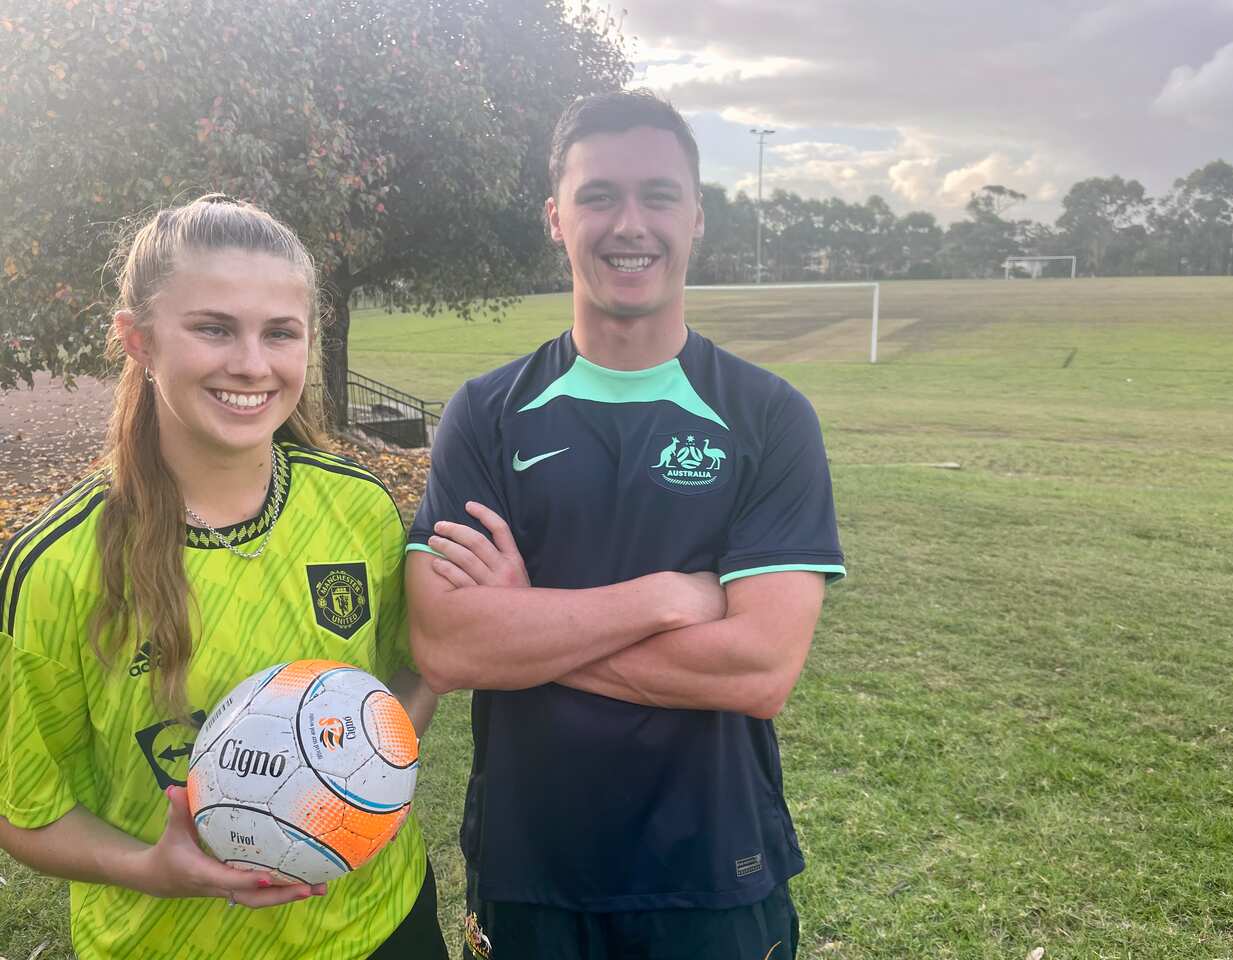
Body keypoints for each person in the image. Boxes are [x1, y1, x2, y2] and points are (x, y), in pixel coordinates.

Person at [406, 90, 845, 959]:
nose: (629, 223)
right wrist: (666, 596)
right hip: (531, 870)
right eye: (599, 195)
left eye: (658, 195)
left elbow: (760, 667)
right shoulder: (488, 412)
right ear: (556, 219)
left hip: (715, 869)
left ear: (697, 217)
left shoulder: (767, 416)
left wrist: (530, 623)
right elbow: (451, 647)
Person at [0, 195, 448, 960]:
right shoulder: (56, 568)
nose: (251, 363)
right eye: (213, 328)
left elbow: (415, 669)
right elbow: (26, 811)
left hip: (381, 924)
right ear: (136, 339)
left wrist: (367, 780)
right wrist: (150, 868)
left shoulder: (358, 506)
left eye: (281, 333)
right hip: (166, 944)